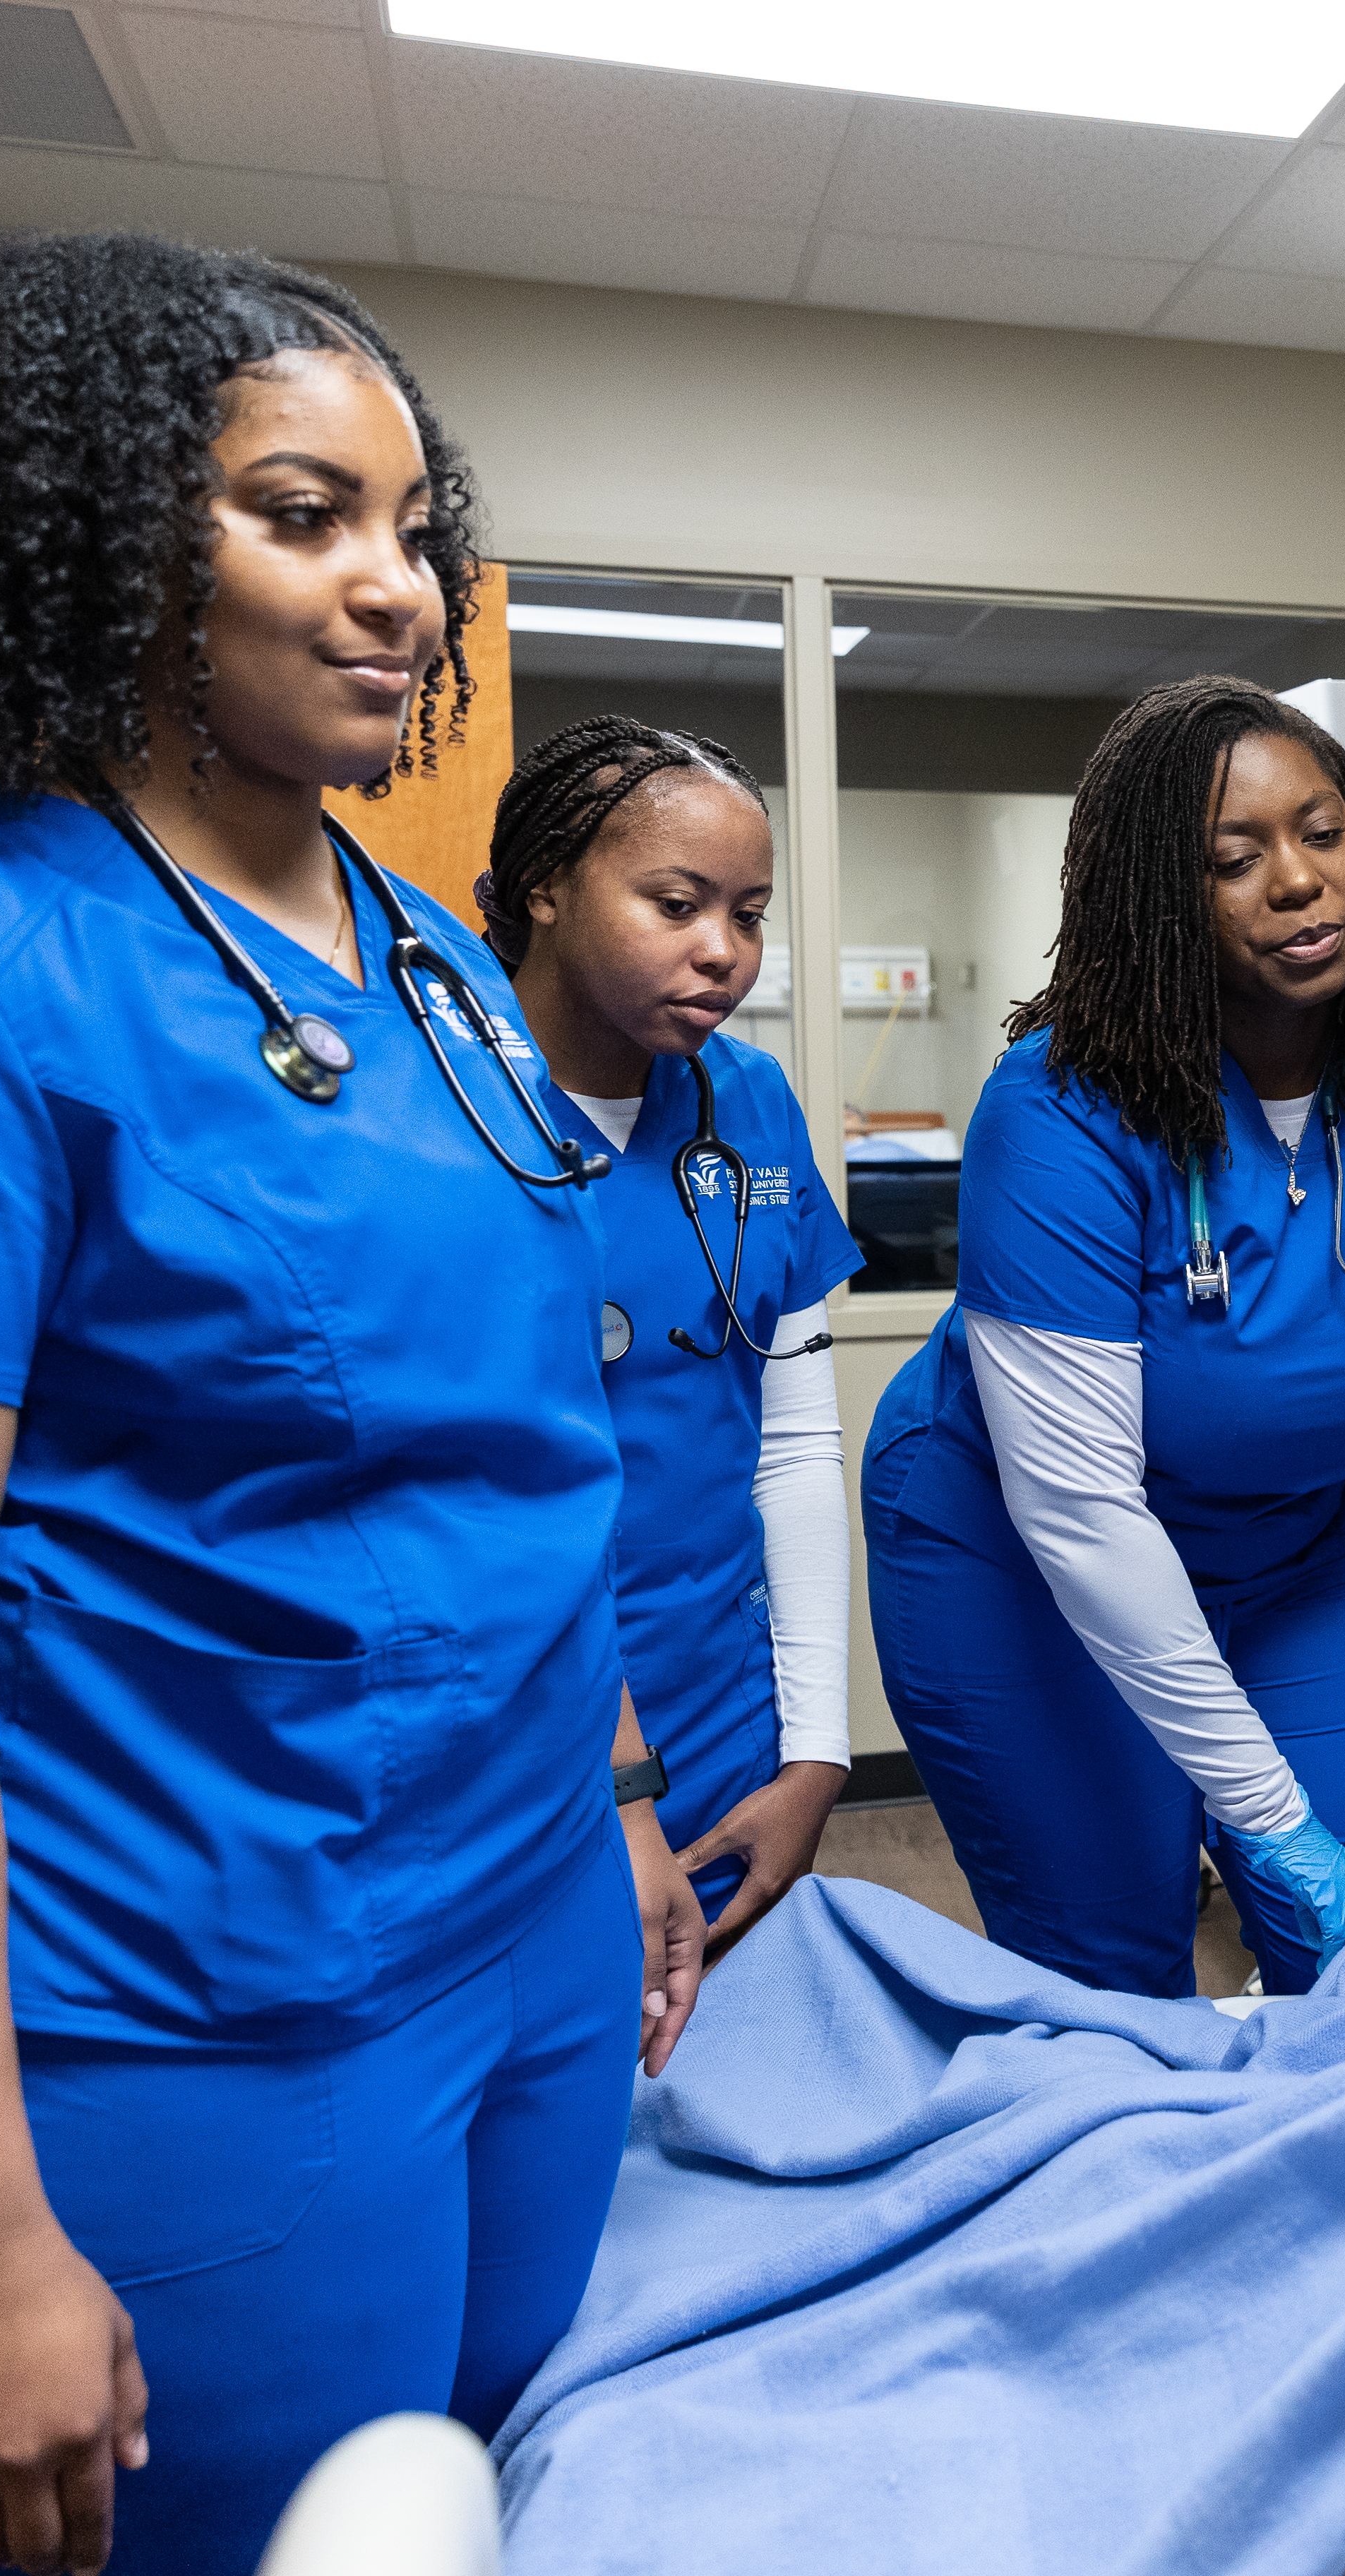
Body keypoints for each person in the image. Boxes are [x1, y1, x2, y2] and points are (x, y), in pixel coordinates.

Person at [0, 234, 698, 2576]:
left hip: (506, 1914)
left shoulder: (419, 951)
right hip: (156, 2001)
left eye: (415, 529)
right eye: (302, 514)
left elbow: (519, 1432)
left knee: (462, 2499)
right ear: (106, 526)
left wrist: (608, 1795)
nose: (398, 591)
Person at [860, 676, 1345, 2000]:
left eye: (1323, 832)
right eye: (1235, 859)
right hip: (1023, 1563)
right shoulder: (1060, 1112)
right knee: (1111, 1973)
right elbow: (1085, 1515)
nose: (1297, 882)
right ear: (1159, 898)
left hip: (1293, 1546)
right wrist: (1266, 1822)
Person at [491, 717, 861, 1952]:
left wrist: (814, 1754)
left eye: (749, 915)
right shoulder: (449, 1109)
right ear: (545, 884)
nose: (724, 953)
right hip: (522, 1713)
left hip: (722, 1702)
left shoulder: (744, 1102)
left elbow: (796, 1445)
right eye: (676, 903)